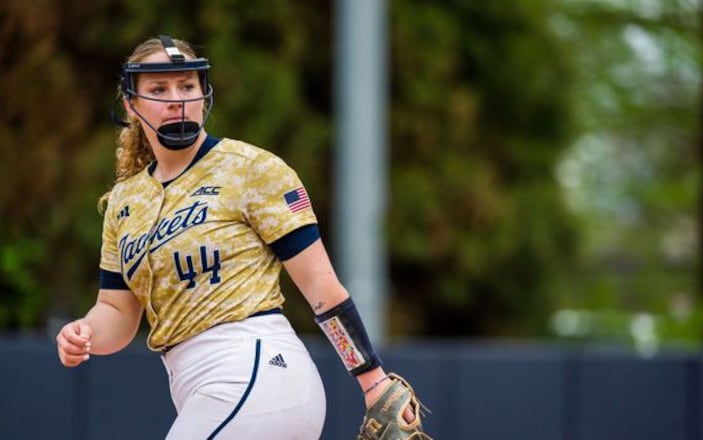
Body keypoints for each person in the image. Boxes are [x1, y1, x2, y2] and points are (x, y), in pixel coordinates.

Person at [55, 35, 428, 439]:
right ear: (131, 104)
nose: (176, 99)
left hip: (257, 369)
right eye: (158, 89)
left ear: (204, 95)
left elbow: (321, 286)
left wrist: (373, 382)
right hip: (202, 385)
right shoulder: (124, 202)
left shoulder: (250, 169)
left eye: (187, 86)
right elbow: (117, 310)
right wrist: (86, 332)